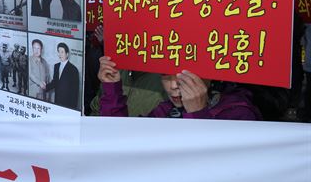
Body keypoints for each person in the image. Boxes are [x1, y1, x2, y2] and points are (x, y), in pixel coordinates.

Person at [98, 56, 262, 120]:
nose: (174, 85)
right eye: (165, 75)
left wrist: (197, 114)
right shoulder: (164, 111)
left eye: (185, 75)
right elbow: (121, 144)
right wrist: (112, 89)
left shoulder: (239, 114)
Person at [45, 42, 80, 109]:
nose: (60, 54)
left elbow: (75, 92)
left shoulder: (74, 69)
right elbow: (55, 82)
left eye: (62, 52)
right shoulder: (56, 66)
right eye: (59, 52)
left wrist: (73, 109)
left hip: (68, 104)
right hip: (57, 101)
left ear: (67, 54)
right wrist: (46, 87)